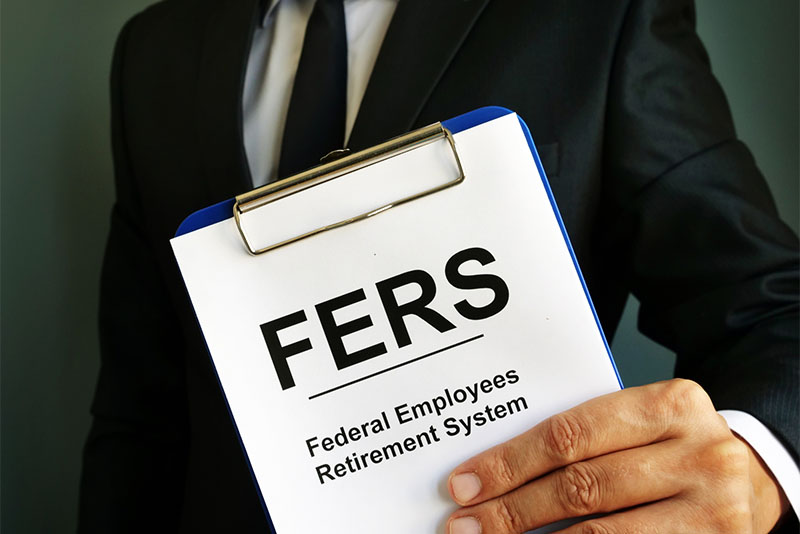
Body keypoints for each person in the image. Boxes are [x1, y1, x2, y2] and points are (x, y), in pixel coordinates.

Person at [78, 0, 799, 532]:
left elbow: (773, 308)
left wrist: (760, 462)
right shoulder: (153, 52)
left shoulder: (595, 14)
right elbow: (143, 412)